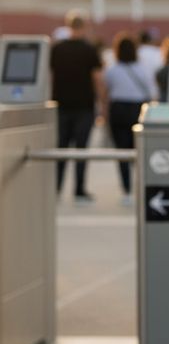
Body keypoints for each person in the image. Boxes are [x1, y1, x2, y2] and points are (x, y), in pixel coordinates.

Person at [50, 11, 105, 203]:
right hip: (84, 107)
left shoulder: (57, 49)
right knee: (81, 149)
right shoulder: (89, 50)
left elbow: (49, 76)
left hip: (61, 105)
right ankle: (79, 189)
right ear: (84, 27)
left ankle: (56, 188)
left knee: (61, 148)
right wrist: (102, 105)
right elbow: (97, 79)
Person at [103, 32, 156, 205]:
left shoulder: (112, 69)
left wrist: (104, 115)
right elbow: (151, 93)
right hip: (138, 109)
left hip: (118, 109)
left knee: (122, 151)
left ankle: (127, 190)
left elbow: (106, 94)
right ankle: (141, 186)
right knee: (140, 151)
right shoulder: (142, 69)